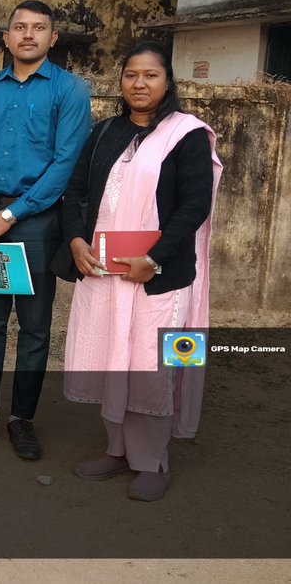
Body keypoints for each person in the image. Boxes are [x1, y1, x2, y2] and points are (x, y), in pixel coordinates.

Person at [62, 41, 220, 501]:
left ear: (168, 81)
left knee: (151, 366)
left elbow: (194, 206)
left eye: (150, 75)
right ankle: (117, 451)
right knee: (113, 359)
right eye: (131, 74)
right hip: (105, 274)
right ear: (121, 82)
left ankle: (153, 461)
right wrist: (75, 240)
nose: (140, 83)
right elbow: (73, 193)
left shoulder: (186, 134)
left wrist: (155, 259)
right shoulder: (105, 131)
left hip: (158, 279)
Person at [0, 0, 91, 459]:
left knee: (33, 328)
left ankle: (21, 419)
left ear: (53, 38)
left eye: (39, 28)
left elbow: (65, 163)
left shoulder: (70, 91)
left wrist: (6, 219)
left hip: (36, 222)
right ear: (6, 38)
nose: (28, 35)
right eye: (19, 27)